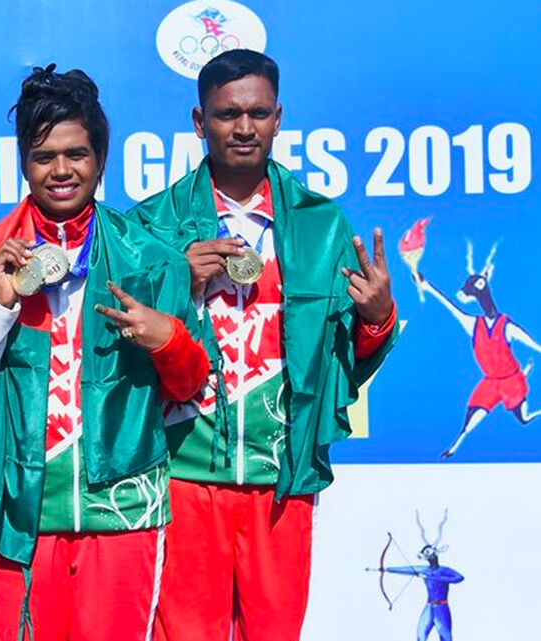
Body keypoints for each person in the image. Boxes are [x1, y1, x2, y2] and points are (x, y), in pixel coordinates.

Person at [129, 49, 399, 641]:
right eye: (227, 114)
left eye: (257, 113)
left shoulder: (320, 224)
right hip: (183, 472)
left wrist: (378, 319)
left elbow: (341, 364)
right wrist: (178, 282)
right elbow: (119, 352)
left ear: (279, 118)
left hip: (282, 475)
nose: (244, 128)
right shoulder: (150, 225)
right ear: (199, 122)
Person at [0, 65, 210, 641]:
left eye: (77, 154)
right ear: (23, 164)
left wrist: (167, 339)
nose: (61, 170)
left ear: (101, 159)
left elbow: (189, 388)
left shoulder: (150, 259)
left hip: (121, 513)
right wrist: (1, 305)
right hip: (17, 515)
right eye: (44, 157)